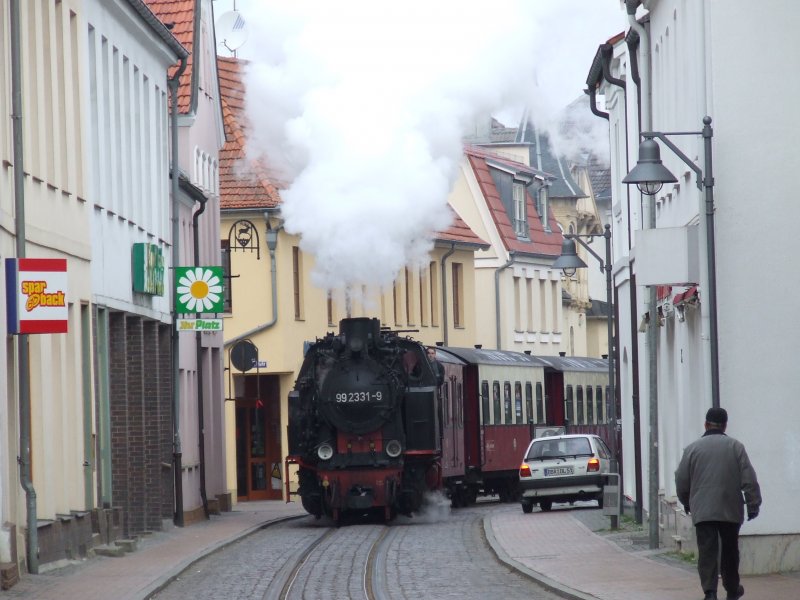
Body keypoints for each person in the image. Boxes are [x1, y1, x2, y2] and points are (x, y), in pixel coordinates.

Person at [674, 407, 761, 600]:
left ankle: (710, 592)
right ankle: (732, 588)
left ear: (706, 424)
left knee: (707, 552)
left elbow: (681, 480)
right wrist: (753, 504)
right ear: (725, 426)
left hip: (703, 511)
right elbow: (749, 479)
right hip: (730, 509)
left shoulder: (692, 449)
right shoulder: (736, 447)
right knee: (730, 551)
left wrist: (687, 501)